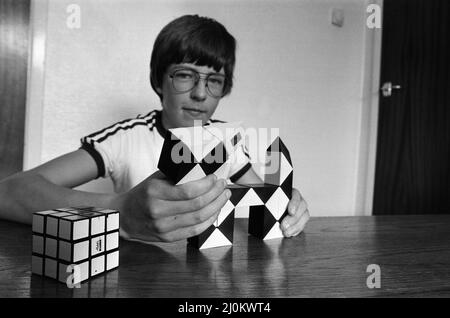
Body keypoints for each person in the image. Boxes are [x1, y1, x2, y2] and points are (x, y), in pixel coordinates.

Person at [0, 14, 309, 243]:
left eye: (214, 80)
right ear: (159, 80)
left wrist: (286, 202)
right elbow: (9, 192)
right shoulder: (126, 138)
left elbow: (261, 195)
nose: (200, 94)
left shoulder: (227, 141)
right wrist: (117, 209)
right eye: (185, 75)